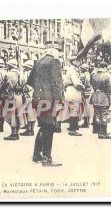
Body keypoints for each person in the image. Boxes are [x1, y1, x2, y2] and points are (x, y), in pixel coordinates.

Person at [27, 39, 64, 167]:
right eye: (59, 51)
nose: (60, 53)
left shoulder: (38, 62)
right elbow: (56, 84)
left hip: (37, 99)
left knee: (43, 126)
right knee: (49, 127)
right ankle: (47, 159)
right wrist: (59, 101)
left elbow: (30, 81)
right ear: (53, 50)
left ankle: (37, 155)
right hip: (49, 101)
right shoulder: (54, 62)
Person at [2, 59, 26, 140]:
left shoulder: (8, 74)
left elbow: (4, 86)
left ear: (10, 66)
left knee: (11, 114)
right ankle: (16, 132)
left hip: (11, 95)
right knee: (18, 114)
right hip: (20, 96)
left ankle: (14, 133)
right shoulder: (22, 74)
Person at [90, 61, 111, 139]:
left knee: (97, 114)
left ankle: (98, 131)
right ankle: (103, 133)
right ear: (105, 67)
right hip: (103, 97)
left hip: (95, 96)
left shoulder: (93, 75)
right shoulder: (106, 76)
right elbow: (110, 89)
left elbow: (92, 85)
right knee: (104, 115)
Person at [64, 58, 84, 136]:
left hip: (70, 91)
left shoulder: (71, 69)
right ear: (74, 62)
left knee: (73, 110)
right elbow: (76, 84)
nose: (80, 62)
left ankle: (73, 127)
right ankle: (73, 130)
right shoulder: (73, 71)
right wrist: (83, 87)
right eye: (79, 61)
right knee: (74, 111)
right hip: (73, 92)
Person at [20, 60, 36, 136]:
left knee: (29, 111)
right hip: (33, 93)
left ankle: (29, 130)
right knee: (32, 111)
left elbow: (26, 85)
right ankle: (31, 128)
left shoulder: (27, 74)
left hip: (28, 94)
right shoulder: (35, 74)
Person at [79, 63, 92, 128]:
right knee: (87, 107)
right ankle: (87, 122)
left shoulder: (83, 75)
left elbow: (83, 84)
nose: (81, 69)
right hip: (88, 92)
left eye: (82, 68)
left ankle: (86, 123)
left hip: (84, 92)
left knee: (85, 107)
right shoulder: (89, 74)